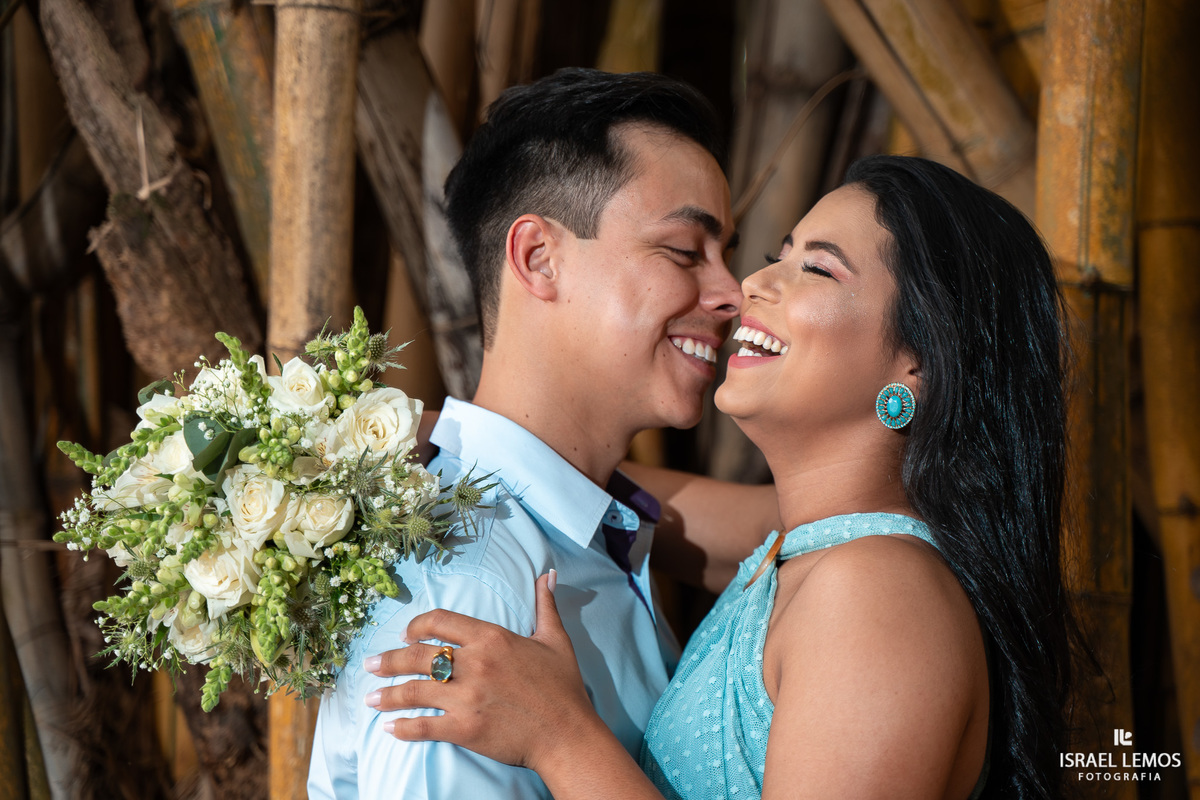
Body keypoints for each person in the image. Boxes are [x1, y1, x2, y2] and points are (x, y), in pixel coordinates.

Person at [365, 155, 1077, 800]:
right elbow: (644, 506)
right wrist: (459, 439)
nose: (750, 285)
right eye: (777, 257)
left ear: (918, 363)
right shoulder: (805, 552)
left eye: (817, 269)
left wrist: (560, 736)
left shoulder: (876, 593)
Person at [307, 68, 782, 798]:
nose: (731, 295)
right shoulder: (468, 593)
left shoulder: (591, 533)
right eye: (686, 251)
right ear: (538, 258)